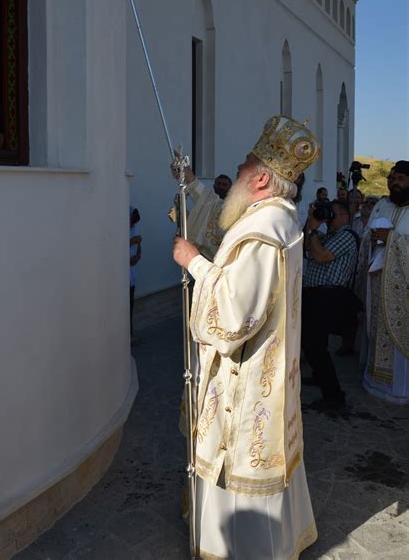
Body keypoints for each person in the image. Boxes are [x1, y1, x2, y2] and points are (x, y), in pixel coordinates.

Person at [173, 115, 320, 560]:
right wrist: (192, 184)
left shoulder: (263, 233)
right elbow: (223, 232)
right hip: (272, 375)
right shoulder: (279, 219)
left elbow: (235, 317)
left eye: (243, 165)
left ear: (259, 179)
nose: (236, 169)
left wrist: (195, 263)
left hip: (250, 379)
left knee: (240, 464)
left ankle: (239, 548)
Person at [301, 200, 360, 407]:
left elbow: (321, 256)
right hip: (316, 296)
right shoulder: (329, 235)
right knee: (313, 343)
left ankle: (334, 396)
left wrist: (315, 231)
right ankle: (319, 378)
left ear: (344, 216)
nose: (328, 217)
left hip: (328, 297)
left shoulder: (346, 236)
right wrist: (310, 225)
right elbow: (307, 249)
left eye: (331, 214)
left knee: (315, 346)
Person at [361, 160, 409, 405]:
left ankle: (402, 390)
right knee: (379, 332)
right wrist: (374, 238)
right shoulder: (383, 205)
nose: (394, 182)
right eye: (391, 178)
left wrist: (393, 239)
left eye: (400, 178)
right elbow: (366, 235)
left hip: (405, 293)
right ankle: (377, 382)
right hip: (380, 284)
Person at [171, 162, 232, 261]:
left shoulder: (235, 207)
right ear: (214, 185)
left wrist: (189, 176)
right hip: (202, 256)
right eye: (219, 184)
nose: (221, 187)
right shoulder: (208, 200)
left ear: (230, 188)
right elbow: (202, 194)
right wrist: (188, 176)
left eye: (224, 185)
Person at [129, 207, 142, 345]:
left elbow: (139, 243)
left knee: (130, 304)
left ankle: (130, 334)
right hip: (122, 273)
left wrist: (138, 255)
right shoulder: (119, 227)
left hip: (131, 272)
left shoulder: (134, 226)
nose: (133, 225)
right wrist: (132, 241)